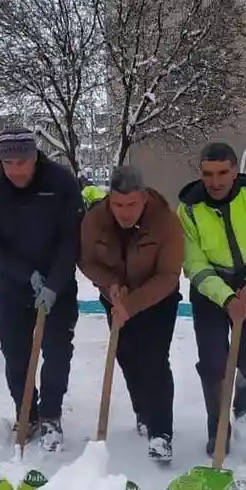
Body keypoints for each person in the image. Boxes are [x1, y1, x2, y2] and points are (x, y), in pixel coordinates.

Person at [0, 127, 85, 452]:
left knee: (56, 353)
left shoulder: (61, 182)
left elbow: (72, 239)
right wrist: (26, 275)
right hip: (14, 286)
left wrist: (53, 284)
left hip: (59, 285)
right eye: (9, 163)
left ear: (35, 155)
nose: (16, 170)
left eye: (22, 161)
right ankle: (28, 413)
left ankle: (51, 415)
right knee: (16, 356)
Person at [177, 142, 246, 456]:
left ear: (235, 170)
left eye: (223, 172)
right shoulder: (188, 209)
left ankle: (244, 386)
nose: (215, 181)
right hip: (211, 291)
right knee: (214, 364)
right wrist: (227, 299)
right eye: (208, 174)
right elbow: (194, 264)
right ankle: (218, 426)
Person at [78, 165, 184, 461]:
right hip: (115, 297)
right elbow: (87, 261)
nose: (125, 212)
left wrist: (132, 305)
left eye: (132, 204)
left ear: (145, 198)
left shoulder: (165, 222)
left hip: (157, 299)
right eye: (118, 205)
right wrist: (110, 286)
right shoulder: (95, 220)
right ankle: (143, 411)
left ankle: (161, 432)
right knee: (125, 355)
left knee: (154, 359)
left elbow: (168, 276)